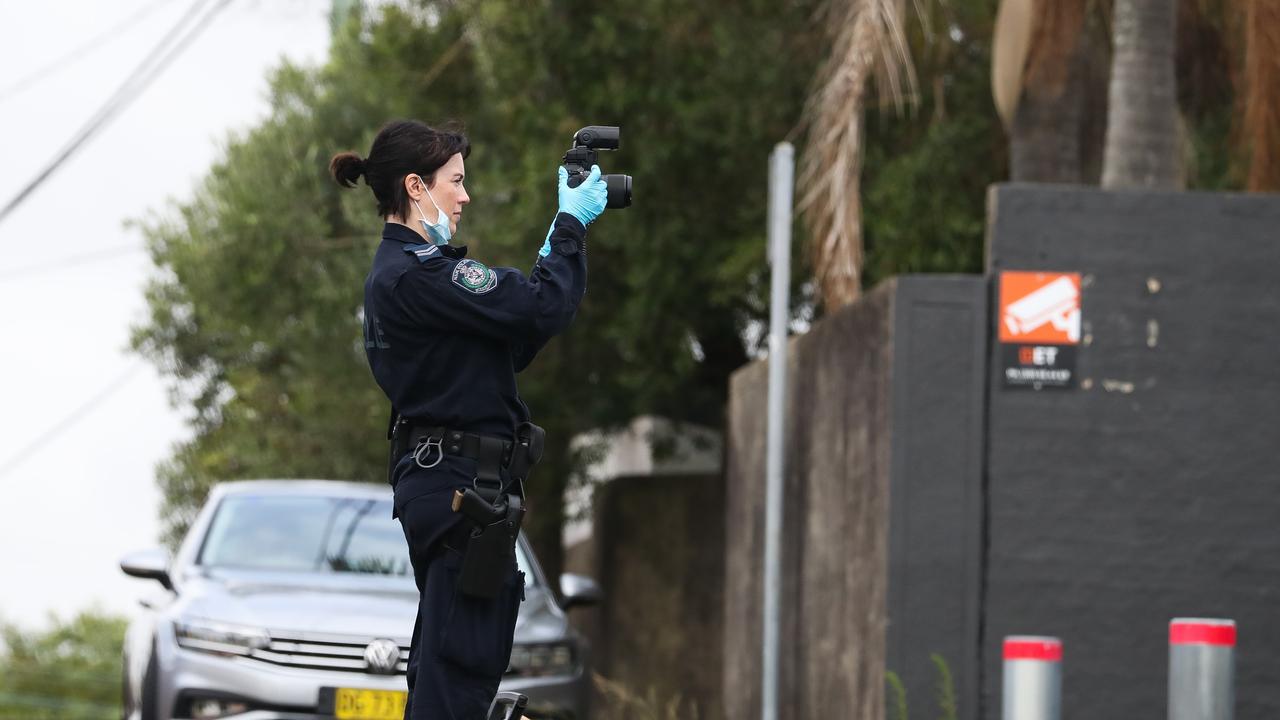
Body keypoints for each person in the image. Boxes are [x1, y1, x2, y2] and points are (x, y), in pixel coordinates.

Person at [329, 119, 607, 719]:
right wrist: (571, 224)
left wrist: (557, 245)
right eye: (455, 181)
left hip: (456, 488)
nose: (465, 195)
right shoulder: (419, 274)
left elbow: (519, 333)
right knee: (460, 673)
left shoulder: (410, 276)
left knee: (448, 673)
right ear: (415, 186)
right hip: (461, 493)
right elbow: (539, 304)